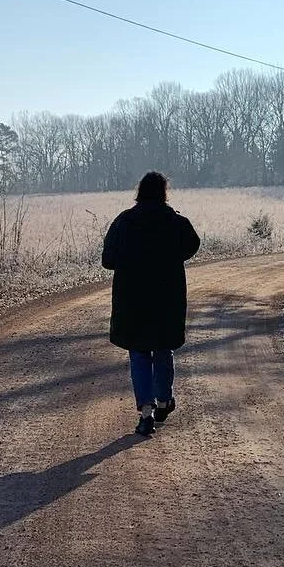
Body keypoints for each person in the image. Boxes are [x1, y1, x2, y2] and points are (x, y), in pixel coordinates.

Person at [101, 171, 201, 437]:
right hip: (166, 298)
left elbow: (108, 260)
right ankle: (165, 400)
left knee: (139, 353)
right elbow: (193, 246)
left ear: (139, 192)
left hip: (132, 300)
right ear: (164, 192)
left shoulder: (124, 222)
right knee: (163, 348)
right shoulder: (176, 222)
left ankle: (146, 412)